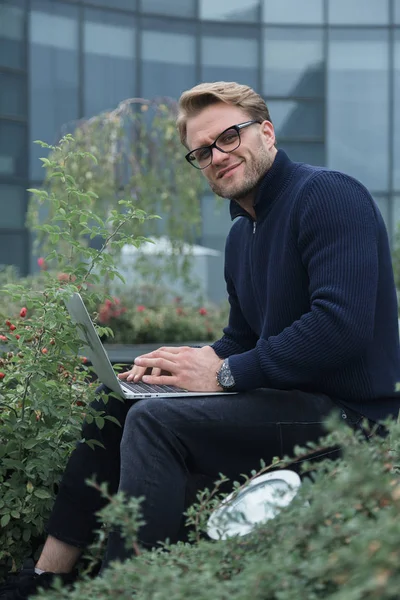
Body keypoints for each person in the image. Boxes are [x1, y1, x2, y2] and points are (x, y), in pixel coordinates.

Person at [2, 80, 400, 599]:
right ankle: (45, 576)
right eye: (202, 151)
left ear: (266, 132)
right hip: (292, 402)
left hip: (354, 418)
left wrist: (224, 373)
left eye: (229, 137)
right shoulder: (243, 234)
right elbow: (241, 337)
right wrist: (184, 362)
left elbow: (339, 326)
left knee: (155, 422)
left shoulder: (326, 194)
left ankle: (122, 590)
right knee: (120, 401)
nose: (217, 156)